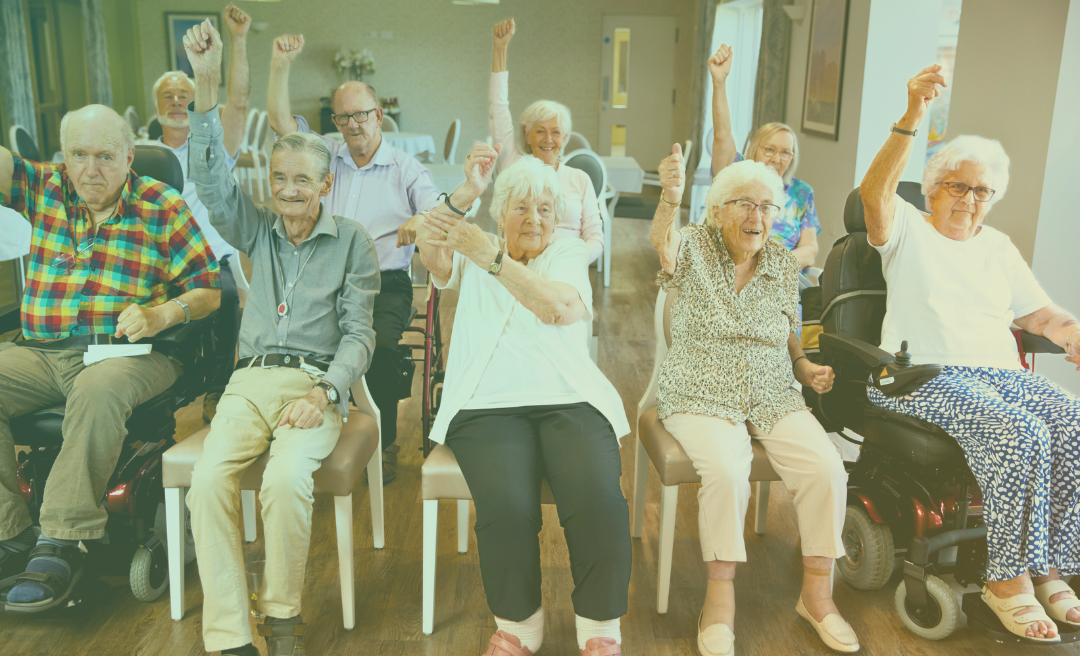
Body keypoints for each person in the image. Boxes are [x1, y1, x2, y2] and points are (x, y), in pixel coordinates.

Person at [861, 64, 1080, 644]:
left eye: (981, 190)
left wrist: (1073, 333)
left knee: (1072, 419)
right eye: (957, 185)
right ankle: (1005, 581)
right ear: (932, 189)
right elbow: (874, 194)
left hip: (995, 372)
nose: (969, 198)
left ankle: (1049, 565)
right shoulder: (905, 228)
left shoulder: (999, 247)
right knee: (1019, 433)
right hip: (920, 374)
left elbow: (1039, 316)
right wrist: (912, 115)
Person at [182, 21, 379, 656]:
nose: (288, 190)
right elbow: (210, 183)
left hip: (312, 385)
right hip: (249, 383)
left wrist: (325, 392)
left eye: (302, 181)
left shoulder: (352, 242)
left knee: (288, 477)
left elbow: (359, 335)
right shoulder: (257, 227)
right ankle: (231, 637)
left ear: (325, 185)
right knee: (210, 478)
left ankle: (283, 616)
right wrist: (206, 85)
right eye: (279, 178)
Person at [0, 105, 220, 612]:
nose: (90, 169)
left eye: (104, 156)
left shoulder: (161, 205)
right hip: (43, 352)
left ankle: (60, 541)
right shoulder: (47, 188)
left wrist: (162, 314)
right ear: (63, 157)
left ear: (128, 157)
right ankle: (12, 533)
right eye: (78, 155)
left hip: (134, 354)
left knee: (97, 391)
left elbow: (209, 290)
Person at [418, 155, 631, 656]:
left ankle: (600, 631)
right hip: (485, 402)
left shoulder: (567, 250)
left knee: (599, 500)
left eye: (544, 208)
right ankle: (518, 626)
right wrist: (468, 190)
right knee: (507, 509)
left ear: (556, 217)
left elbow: (559, 309)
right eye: (521, 207)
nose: (534, 219)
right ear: (500, 214)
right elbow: (432, 245)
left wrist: (492, 259)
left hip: (569, 396)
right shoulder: (472, 246)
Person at [650, 145, 858, 655]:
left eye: (767, 208)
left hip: (771, 389)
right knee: (725, 470)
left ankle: (817, 595)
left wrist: (804, 367)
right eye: (745, 204)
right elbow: (664, 243)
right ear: (718, 209)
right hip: (700, 387)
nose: (757, 217)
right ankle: (719, 600)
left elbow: (789, 331)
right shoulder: (695, 246)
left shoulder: (785, 264)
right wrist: (670, 198)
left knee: (827, 468)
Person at [268, 33, 441, 484]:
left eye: (360, 115)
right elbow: (281, 125)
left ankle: (380, 443)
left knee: (379, 348)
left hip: (385, 281)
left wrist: (421, 221)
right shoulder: (327, 157)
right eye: (343, 117)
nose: (352, 124)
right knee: (292, 342)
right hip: (326, 275)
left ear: (378, 116)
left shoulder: (405, 167)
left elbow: (438, 209)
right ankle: (308, 431)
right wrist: (281, 65)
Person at [152, 2, 253, 424]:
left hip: (209, 257)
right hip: (155, 261)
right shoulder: (142, 155)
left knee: (225, 295)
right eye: (168, 96)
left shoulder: (213, 146)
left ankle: (218, 386)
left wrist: (238, 40)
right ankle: (159, 386)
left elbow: (240, 101)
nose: (177, 101)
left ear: (197, 104)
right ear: (155, 104)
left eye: (185, 96)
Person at [489, 18, 604, 263]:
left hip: (565, 266)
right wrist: (500, 49)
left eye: (555, 132)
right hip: (520, 265)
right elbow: (498, 108)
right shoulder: (513, 167)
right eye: (540, 131)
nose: (548, 139)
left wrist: (574, 261)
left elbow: (595, 236)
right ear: (527, 135)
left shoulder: (579, 179)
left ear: (565, 137)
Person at [708, 45, 820, 269]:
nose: (777, 158)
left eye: (786, 152)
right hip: (733, 275)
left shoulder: (801, 193)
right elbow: (723, 134)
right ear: (754, 149)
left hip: (782, 277)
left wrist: (775, 266)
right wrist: (719, 82)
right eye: (769, 149)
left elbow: (810, 249)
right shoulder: (735, 174)